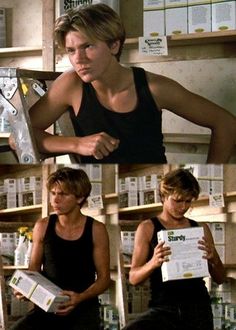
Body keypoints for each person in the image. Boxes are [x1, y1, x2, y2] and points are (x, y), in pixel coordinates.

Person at [27, 3, 236, 163]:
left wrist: (213, 177)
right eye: (71, 51)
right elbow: (20, 137)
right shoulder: (71, 84)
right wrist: (77, 144)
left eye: (88, 46)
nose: (78, 59)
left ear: (114, 46)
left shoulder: (155, 88)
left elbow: (226, 123)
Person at [123, 168, 225, 330]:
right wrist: (154, 262)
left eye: (188, 201)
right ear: (163, 197)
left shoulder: (201, 228)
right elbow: (134, 279)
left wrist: (215, 260)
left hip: (197, 307)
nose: (183, 207)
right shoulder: (148, 228)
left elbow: (220, 278)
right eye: (178, 201)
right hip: (163, 307)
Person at [11, 167, 111, 330]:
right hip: (47, 309)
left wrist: (79, 297)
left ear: (79, 198)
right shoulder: (42, 226)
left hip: (83, 311)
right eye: (53, 193)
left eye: (63, 194)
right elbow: (33, 271)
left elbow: (104, 279)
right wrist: (25, 289)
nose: (55, 200)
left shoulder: (96, 229)